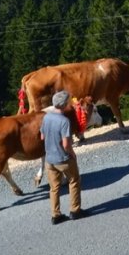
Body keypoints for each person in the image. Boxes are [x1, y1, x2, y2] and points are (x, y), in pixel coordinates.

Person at [40, 89, 82, 224]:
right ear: (64, 105)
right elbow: (66, 144)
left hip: (49, 159)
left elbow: (42, 136)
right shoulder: (64, 121)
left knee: (54, 187)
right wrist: (73, 154)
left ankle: (55, 215)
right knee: (74, 180)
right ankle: (75, 211)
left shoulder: (46, 117)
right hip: (63, 158)